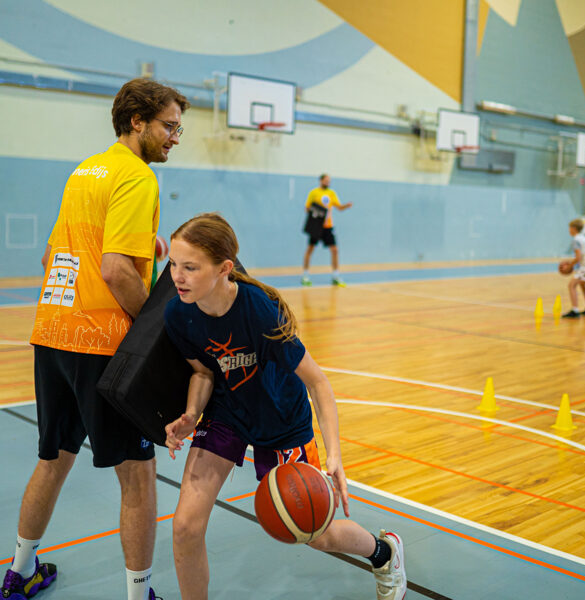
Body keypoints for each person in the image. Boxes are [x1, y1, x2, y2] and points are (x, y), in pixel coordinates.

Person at [1, 78, 189, 600]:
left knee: (53, 459)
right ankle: (138, 595)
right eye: (169, 126)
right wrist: (155, 336)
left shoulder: (86, 170)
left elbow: (52, 259)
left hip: (53, 332)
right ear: (137, 121)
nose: (176, 136)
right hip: (100, 345)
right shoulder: (136, 177)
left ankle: (19, 573)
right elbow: (115, 271)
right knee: (137, 477)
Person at [163, 213, 406, 600]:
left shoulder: (259, 310)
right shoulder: (178, 313)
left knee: (314, 533)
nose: (177, 276)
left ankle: (384, 553)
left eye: (190, 267)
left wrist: (335, 456)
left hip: (282, 424)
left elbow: (318, 383)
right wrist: (192, 415)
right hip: (229, 414)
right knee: (185, 527)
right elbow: (204, 373)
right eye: (173, 264)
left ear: (224, 269)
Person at [302, 174, 353, 287]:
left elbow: (339, 207)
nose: (328, 182)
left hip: (328, 226)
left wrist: (346, 206)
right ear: (321, 181)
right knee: (310, 249)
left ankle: (335, 276)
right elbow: (307, 208)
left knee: (334, 250)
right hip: (316, 226)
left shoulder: (331, 193)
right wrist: (317, 212)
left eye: (329, 181)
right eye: (326, 180)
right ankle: (305, 275)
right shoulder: (314, 193)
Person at [562, 218, 585, 318]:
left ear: (574, 228)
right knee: (582, 284)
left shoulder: (576, 240)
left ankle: (575, 310)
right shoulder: (584, 238)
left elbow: (578, 257)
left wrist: (569, 266)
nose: (569, 230)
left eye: (570, 228)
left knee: (571, 285)